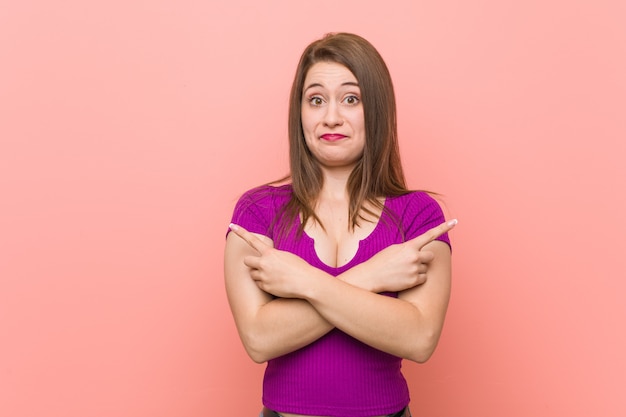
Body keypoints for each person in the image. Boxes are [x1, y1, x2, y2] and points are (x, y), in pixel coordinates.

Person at [224, 32, 456, 417]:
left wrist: (304, 281)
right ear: (300, 112)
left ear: (377, 110)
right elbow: (259, 339)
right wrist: (372, 275)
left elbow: (419, 339)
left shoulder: (418, 214)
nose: (331, 117)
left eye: (351, 99)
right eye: (316, 100)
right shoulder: (257, 212)